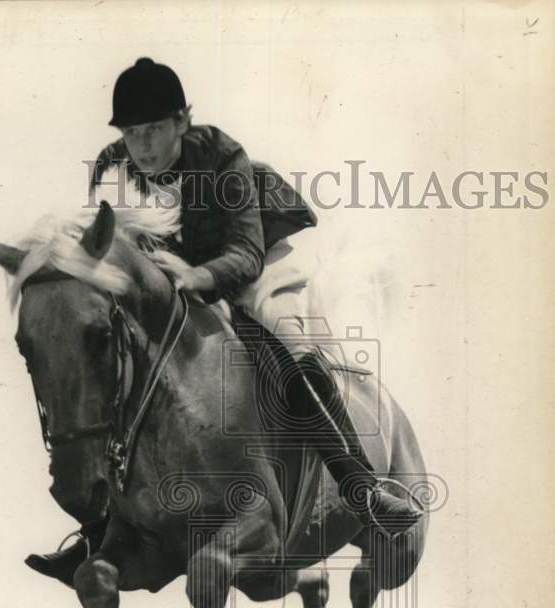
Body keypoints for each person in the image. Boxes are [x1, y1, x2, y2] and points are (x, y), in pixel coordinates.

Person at [26, 58, 421, 581]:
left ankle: (362, 487)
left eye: (155, 130)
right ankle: (101, 530)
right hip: (179, 282)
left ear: (182, 122)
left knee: (292, 354)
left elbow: (245, 255)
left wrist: (196, 277)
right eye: (133, 133)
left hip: (257, 265)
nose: (142, 146)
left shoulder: (222, 156)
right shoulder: (112, 169)